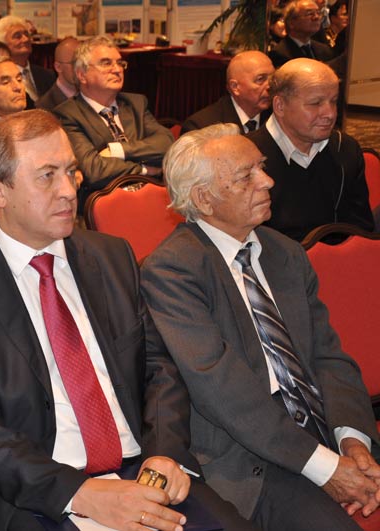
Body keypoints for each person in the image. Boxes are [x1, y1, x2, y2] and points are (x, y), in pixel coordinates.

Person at [0, 109, 256, 531]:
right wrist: (80, 495)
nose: (68, 190)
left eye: (70, 171)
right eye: (46, 176)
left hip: (143, 470)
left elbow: (159, 368)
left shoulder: (111, 257)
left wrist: (164, 453)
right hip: (48, 494)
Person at [141, 122, 380, 530]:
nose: (267, 181)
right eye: (246, 176)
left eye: (262, 167)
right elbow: (224, 391)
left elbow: (328, 356)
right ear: (204, 199)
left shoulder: (284, 253)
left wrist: (354, 442)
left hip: (325, 429)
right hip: (252, 457)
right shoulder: (173, 270)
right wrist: (327, 468)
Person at [247, 58, 373, 241]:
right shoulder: (247, 156)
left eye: (334, 101)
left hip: (338, 257)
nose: (330, 114)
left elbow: (361, 231)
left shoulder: (345, 149)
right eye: (316, 103)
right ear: (280, 106)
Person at [54, 35, 173, 209]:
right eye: (106, 63)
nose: (117, 69)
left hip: (154, 198)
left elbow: (167, 144)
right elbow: (93, 170)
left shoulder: (136, 104)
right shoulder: (67, 114)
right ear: (82, 75)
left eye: (120, 63)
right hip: (107, 206)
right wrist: (144, 169)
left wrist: (117, 150)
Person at [182, 51, 274, 135]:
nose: (270, 86)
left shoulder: (277, 117)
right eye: (260, 79)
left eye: (272, 78)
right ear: (235, 87)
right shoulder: (201, 127)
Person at [0, 15, 55, 100]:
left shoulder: (47, 75)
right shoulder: (0, 80)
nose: (26, 39)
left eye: (27, 34)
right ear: (3, 44)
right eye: (18, 36)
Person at [269, 0, 334, 68]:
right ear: (291, 22)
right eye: (310, 14)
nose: (316, 17)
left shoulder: (324, 50)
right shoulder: (280, 53)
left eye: (318, 13)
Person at [36, 37, 79, 111]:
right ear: (58, 67)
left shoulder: (93, 94)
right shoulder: (44, 107)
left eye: (83, 62)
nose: (81, 68)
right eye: (74, 63)